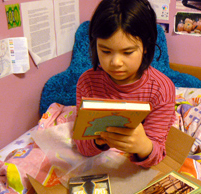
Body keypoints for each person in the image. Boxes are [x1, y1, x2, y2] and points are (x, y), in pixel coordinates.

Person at [74, 0, 176, 168]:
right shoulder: (88, 82)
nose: (115, 62)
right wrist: (97, 142)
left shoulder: (161, 89)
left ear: (145, 46)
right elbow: (82, 147)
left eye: (127, 52)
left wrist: (143, 146)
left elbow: (157, 153)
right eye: (105, 51)